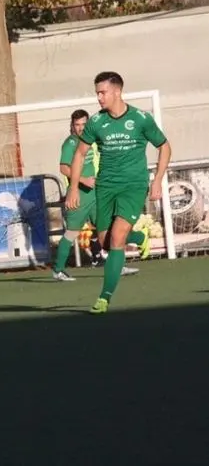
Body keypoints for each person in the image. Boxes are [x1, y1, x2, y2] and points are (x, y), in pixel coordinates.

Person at [66, 72, 171, 314]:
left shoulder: (141, 119)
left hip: (133, 187)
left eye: (102, 92)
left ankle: (104, 297)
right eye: (97, 93)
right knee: (105, 241)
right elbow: (80, 154)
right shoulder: (96, 122)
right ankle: (140, 237)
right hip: (106, 188)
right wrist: (73, 188)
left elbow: (164, 147)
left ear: (117, 91)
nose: (99, 97)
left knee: (116, 238)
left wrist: (157, 180)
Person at [53, 109, 143, 280]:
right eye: (77, 125)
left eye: (84, 124)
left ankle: (118, 265)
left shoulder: (91, 141)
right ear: (72, 126)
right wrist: (83, 180)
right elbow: (64, 168)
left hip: (96, 194)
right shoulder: (70, 143)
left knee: (108, 231)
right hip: (79, 196)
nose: (81, 128)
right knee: (72, 232)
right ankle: (58, 270)